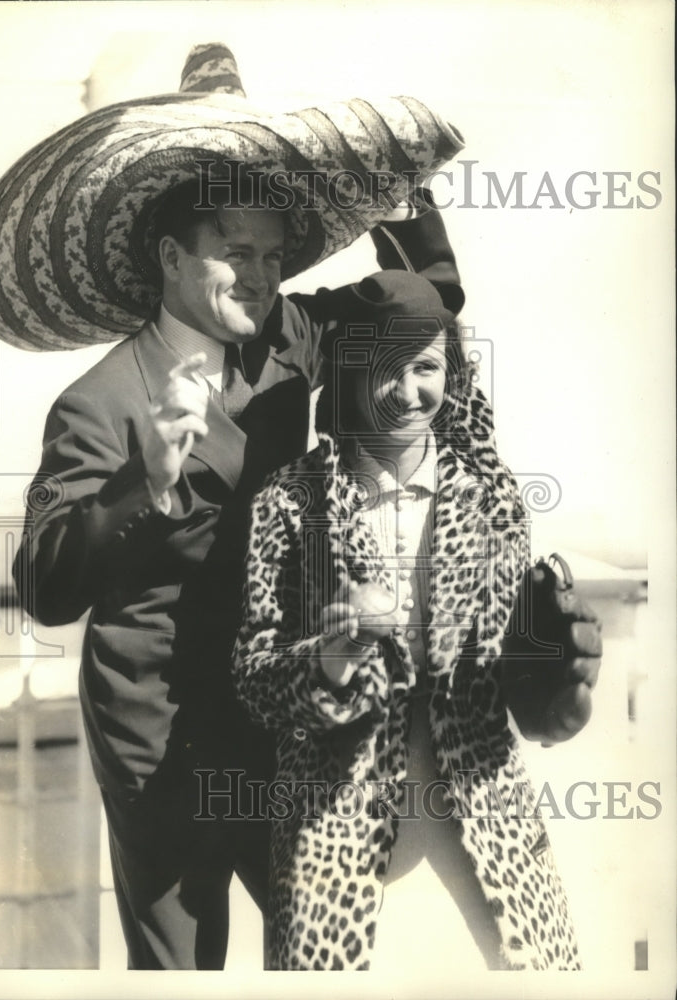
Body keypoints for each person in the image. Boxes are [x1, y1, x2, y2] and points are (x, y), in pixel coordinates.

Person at [0, 45, 468, 969]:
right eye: (235, 253)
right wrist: (144, 484)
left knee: (317, 948)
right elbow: (46, 588)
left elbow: (428, 301)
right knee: (181, 966)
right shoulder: (97, 405)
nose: (258, 277)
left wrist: (389, 188)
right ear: (170, 257)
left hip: (283, 712)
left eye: (273, 257)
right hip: (157, 736)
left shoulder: (289, 335)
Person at [232, 270, 602, 971]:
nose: (407, 391)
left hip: (486, 822)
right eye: (385, 367)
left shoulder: (494, 498)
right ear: (348, 371)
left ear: (450, 374)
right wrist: (333, 657)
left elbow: (511, 677)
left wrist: (559, 679)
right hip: (335, 833)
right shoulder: (289, 500)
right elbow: (253, 678)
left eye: (425, 367)